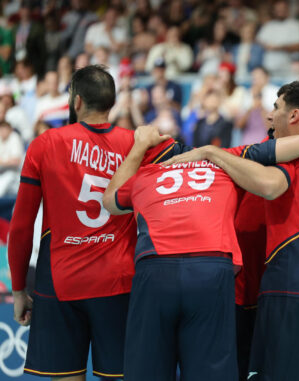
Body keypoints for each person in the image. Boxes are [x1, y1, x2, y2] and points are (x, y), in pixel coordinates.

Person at [103, 127, 299, 381]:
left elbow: (110, 201)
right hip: (211, 267)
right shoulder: (226, 160)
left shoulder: (145, 173)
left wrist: (139, 146)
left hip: (155, 268)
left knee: (147, 372)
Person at [164, 81, 299, 380]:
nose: (270, 116)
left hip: (289, 288)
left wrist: (210, 153)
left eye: (276, 108)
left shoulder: (293, 159)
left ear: (294, 116)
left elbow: (270, 184)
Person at [7, 65, 183, 380]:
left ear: (76, 102)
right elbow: (185, 159)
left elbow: (21, 226)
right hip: (119, 281)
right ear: (111, 103)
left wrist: (19, 289)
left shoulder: (44, 144)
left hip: (60, 281)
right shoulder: (139, 144)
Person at [256, 0, 299, 77]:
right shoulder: (269, 25)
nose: (280, 11)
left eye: (283, 8)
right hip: (269, 66)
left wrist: (279, 47)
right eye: (278, 9)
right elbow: (259, 41)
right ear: (274, 10)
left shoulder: (295, 24)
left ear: (287, 9)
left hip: (289, 67)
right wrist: (266, 46)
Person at [0, 121, 23, 196]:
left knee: (7, 177)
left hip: (15, 174)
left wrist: (2, 162)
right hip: (2, 172)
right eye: (1, 129)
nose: (3, 132)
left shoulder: (14, 137)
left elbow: (16, 161)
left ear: (10, 130)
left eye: (5, 129)